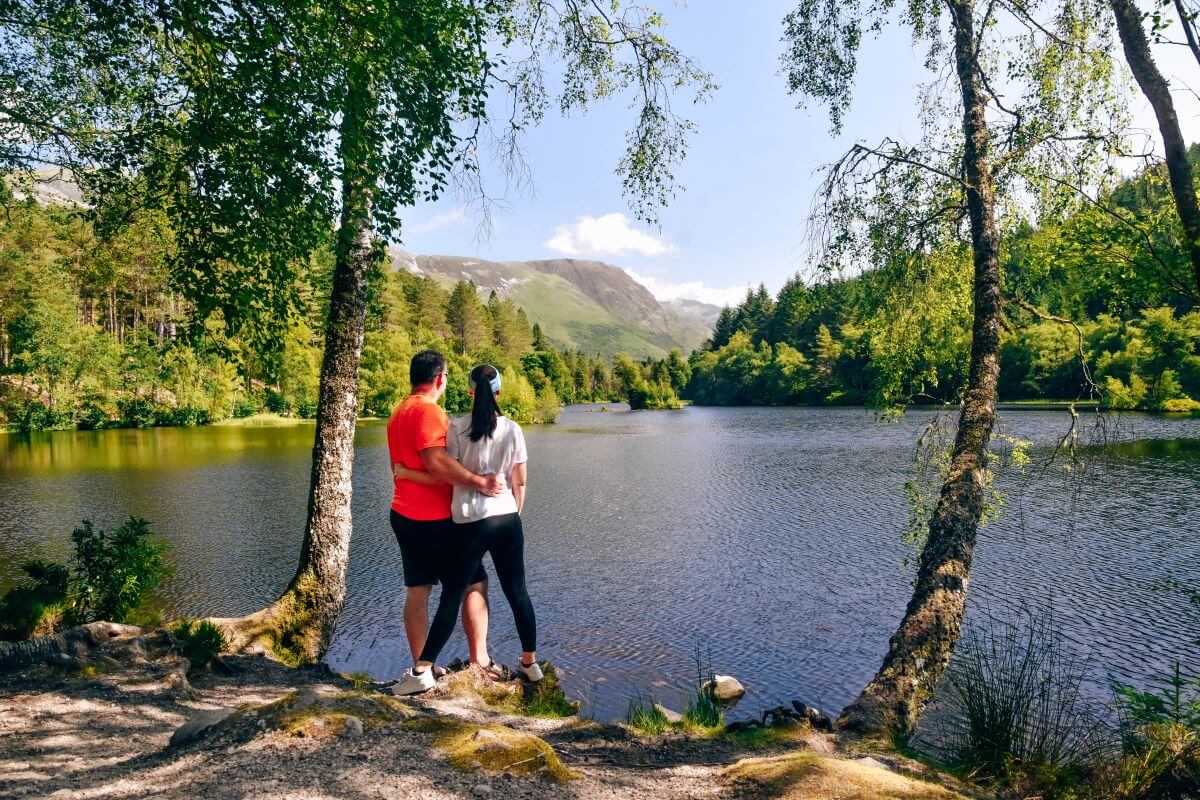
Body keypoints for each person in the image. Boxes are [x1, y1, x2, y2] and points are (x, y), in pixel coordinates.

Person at [391, 363, 541, 695]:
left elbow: (448, 471)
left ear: (470, 392)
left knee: (452, 594)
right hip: (507, 520)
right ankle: (530, 665)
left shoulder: (456, 428)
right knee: (518, 593)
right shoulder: (514, 429)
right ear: (499, 392)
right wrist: (514, 513)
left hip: (469, 524)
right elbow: (520, 480)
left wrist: (406, 474)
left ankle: (421, 669)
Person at [387, 350, 505, 677]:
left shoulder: (399, 412)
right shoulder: (429, 413)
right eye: (447, 377)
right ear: (440, 378)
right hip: (435, 519)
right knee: (474, 583)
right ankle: (479, 661)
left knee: (418, 588)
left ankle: (422, 666)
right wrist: (480, 482)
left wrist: (412, 477)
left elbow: (404, 468)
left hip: (403, 513)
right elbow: (437, 463)